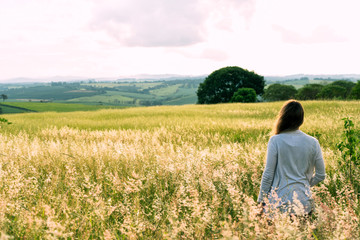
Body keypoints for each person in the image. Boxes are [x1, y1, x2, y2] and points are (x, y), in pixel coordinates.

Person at [257, 100, 326, 216]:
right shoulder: (313, 142)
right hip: (304, 202)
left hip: (279, 203)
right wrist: (304, 184)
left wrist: (260, 201)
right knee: (302, 234)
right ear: (301, 119)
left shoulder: (275, 140)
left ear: (283, 117)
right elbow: (321, 175)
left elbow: (268, 174)